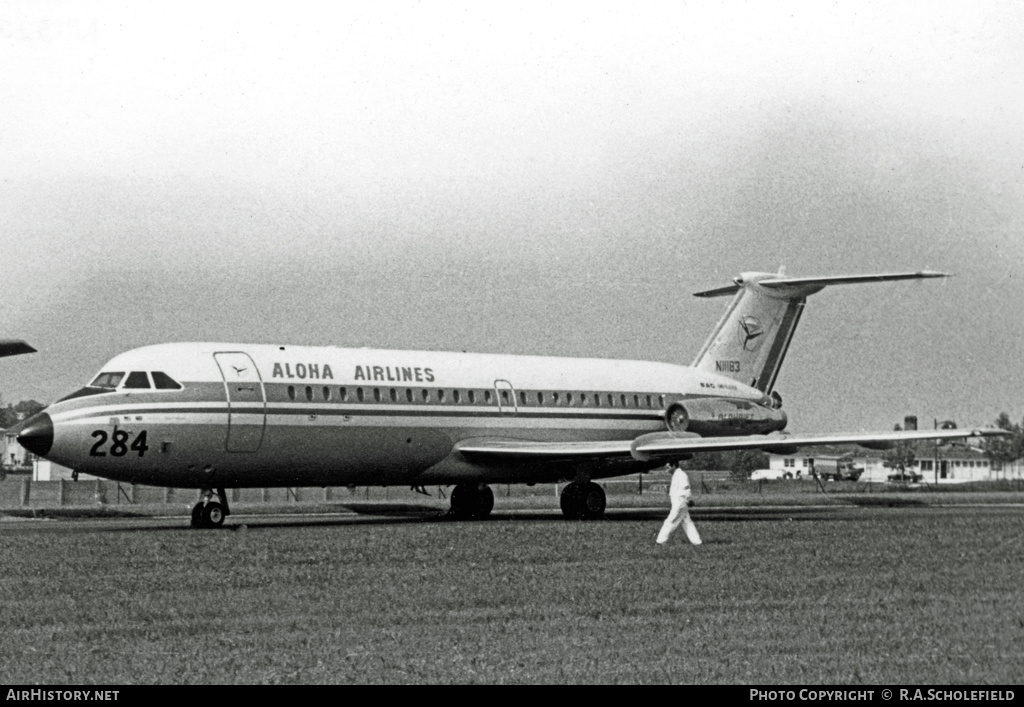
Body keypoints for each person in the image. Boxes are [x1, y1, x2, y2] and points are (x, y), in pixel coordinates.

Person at [656, 462, 702, 545]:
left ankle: (660, 541)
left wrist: (687, 499)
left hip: (680, 503)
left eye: (668, 467)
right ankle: (697, 542)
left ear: (673, 466)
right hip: (679, 502)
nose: (666, 469)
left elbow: (686, 488)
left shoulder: (681, 475)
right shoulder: (677, 474)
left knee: (670, 521)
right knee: (687, 522)